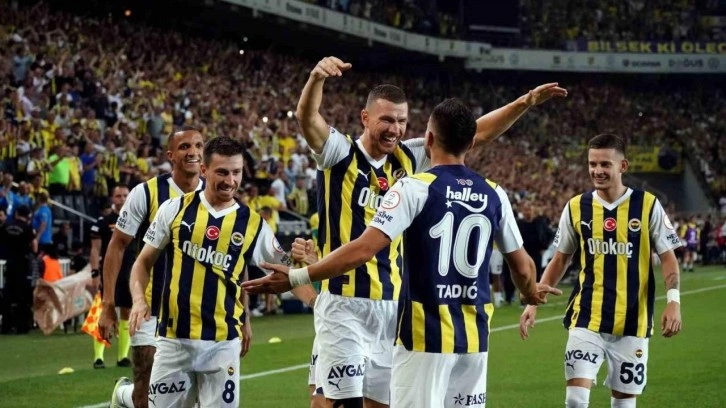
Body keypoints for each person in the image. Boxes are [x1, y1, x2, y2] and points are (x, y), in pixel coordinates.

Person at [244, 98, 561, 407]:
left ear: (429, 138)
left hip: (415, 327)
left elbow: (364, 248)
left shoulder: (413, 185)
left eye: (401, 121)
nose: (395, 128)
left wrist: (298, 276)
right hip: (465, 335)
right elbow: (523, 267)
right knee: (335, 399)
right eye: (387, 119)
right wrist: (529, 293)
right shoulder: (494, 192)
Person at [127, 136, 317, 407]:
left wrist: (314, 293)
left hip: (222, 344)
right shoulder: (175, 209)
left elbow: (288, 273)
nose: (230, 181)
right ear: (204, 170)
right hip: (173, 341)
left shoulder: (253, 224)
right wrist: (138, 300)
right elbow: (143, 262)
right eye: (222, 172)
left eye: (236, 172)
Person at [519, 134, 683, 408]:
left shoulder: (647, 205)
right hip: (587, 317)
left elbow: (668, 257)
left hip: (633, 322)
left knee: (623, 404)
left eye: (605, 164)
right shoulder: (576, 207)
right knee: (575, 399)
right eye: (592, 164)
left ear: (623, 166)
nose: (597, 170)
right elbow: (560, 259)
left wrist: (674, 301)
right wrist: (533, 300)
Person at [103, 127, 206, 408]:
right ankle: (125, 395)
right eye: (185, 147)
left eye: (198, 146)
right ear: (170, 155)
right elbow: (117, 245)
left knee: (191, 394)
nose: (193, 152)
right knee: (146, 395)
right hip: (150, 307)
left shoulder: (214, 195)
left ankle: (122, 395)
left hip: (196, 309)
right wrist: (108, 304)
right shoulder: (146, 193)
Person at [89, 185, 133, 369]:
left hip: (129, 272)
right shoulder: (103, 222)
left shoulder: (136, 218)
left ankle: (122, 356)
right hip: (109, 272)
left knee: (127, 312)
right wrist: (94, 272)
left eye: (125, 195)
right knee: (103, 311)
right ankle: (98, 357)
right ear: (112, 198)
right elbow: (95, 249)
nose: (122, 199)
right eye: (118, 196)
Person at [0, 205, 37, 334]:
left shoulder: (7, 226)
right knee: (22, 296)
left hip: (10, 263)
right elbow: (34, 245)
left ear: (16, 213)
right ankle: (22, 327)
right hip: (22, 264)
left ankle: (6, 326)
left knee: (8, 295)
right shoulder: (27, 227)